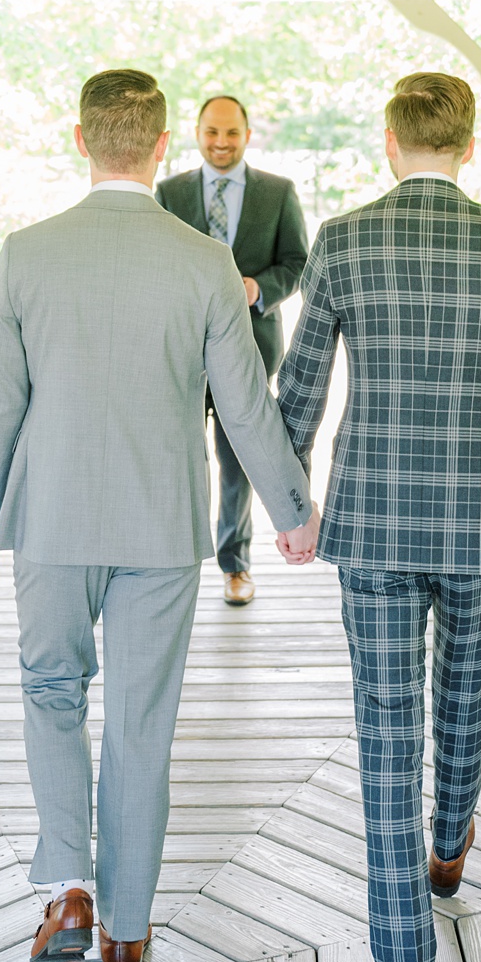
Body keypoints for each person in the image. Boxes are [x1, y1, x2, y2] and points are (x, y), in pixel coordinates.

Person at [0, 69, 312, 962]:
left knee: (51, 692)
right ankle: (124, 929)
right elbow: (246, 406)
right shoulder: (204, 263)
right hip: (163, 528)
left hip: (53, 519)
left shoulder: (25, 254)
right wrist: (292, 512)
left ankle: (69, 884)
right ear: (163, 148)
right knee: (142, 725)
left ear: (81, 141)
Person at [278, 72, 481, 962]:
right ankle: (449, 845)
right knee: (465, 697)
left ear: (391, 142)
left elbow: (301, 384)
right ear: (470, 145)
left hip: (375, 523)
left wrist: (290, 506)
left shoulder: (346, 240)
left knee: (385, 736)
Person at [156, 94, 310, 607]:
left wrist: (256, 289)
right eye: (211, 132)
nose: (221, 142)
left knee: (237, 460)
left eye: (231, 133)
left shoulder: (278, 192)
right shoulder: (169, 192)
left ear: (247, 135)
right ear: (196, 133)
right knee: (176, 453)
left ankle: (235, 564)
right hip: (178, 349)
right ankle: (170, 559)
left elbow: (297, 263)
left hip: (249, 346)